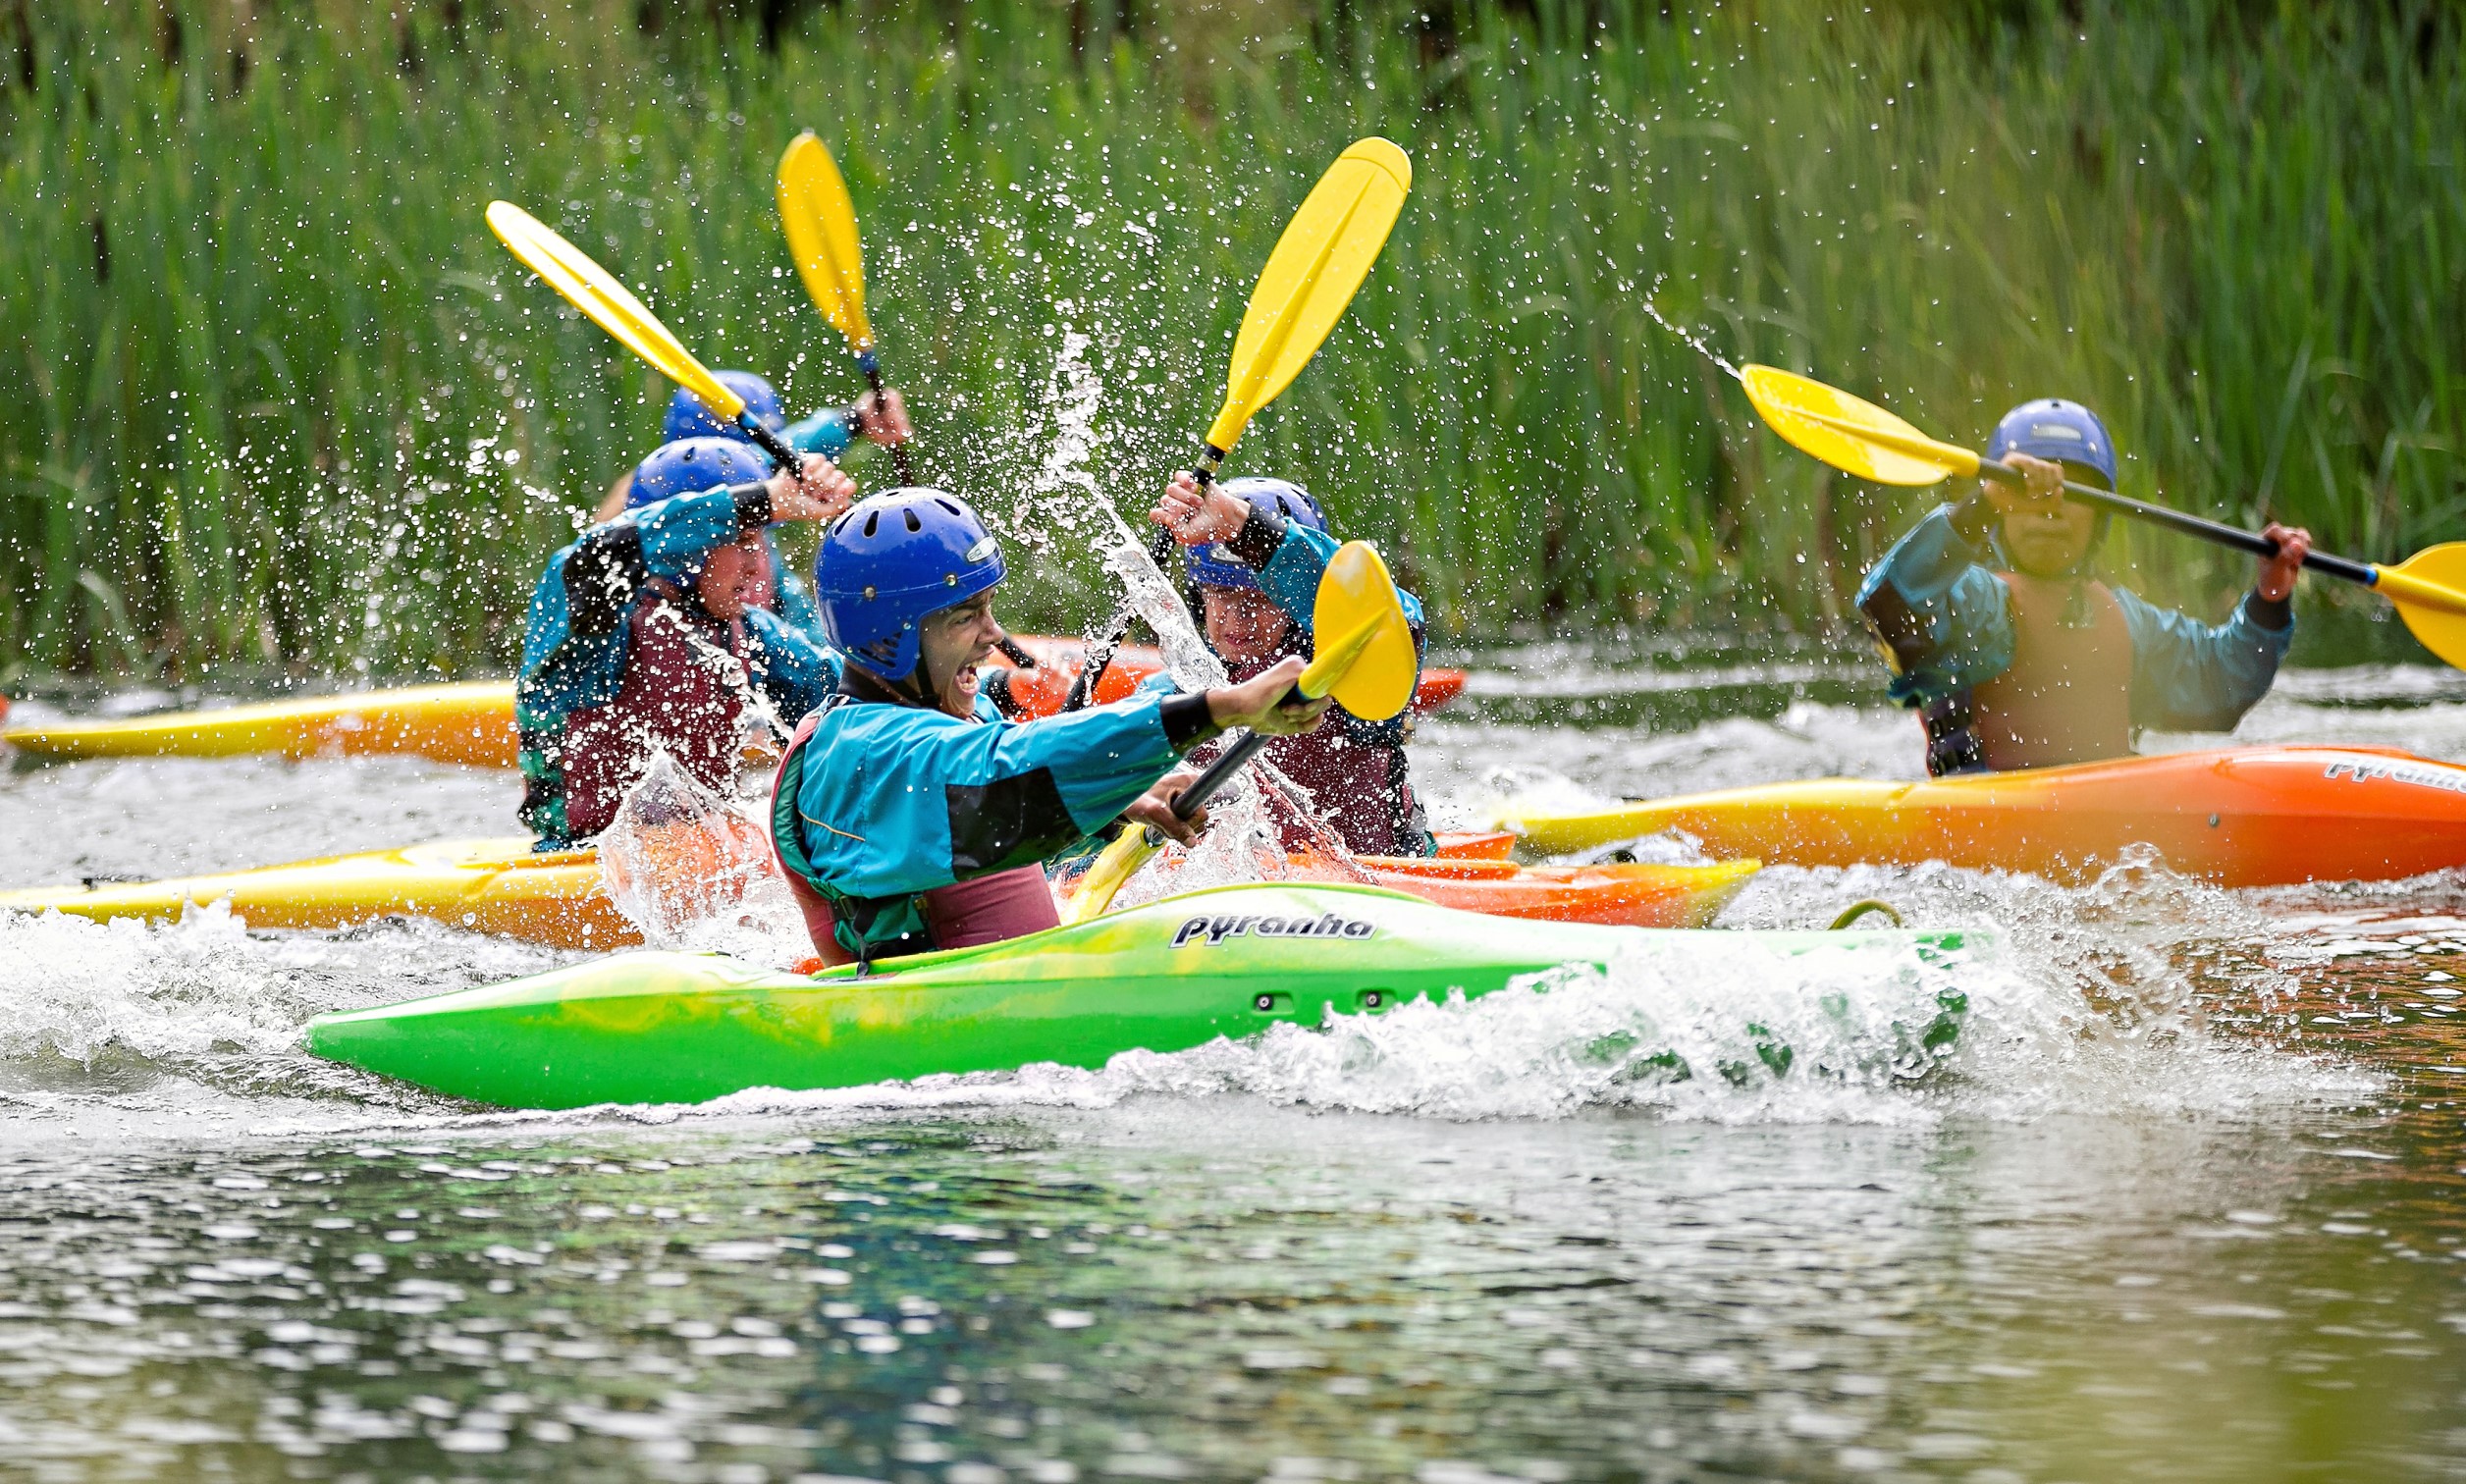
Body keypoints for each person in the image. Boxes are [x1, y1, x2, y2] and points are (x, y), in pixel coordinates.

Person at [770, 488, 1329, 967]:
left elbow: (1003, 844)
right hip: (926, 1039)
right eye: (967, 617)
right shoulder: (857, 757)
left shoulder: (958, 715)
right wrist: (1217, 709)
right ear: (888, 638)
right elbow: (1001, 773)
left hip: (1010, 1002)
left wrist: (1121, 801)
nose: (994, 636)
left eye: (988, 608)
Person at [1856, 398, 2312, 775]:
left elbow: (2220, 687)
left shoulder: (2127, 620)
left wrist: (2270, 598)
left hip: (2106, 838)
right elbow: (1888, 601)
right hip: (1983, 838)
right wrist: (1980, 508)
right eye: (2026, 492)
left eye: (2074, 492)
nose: (2050, 510)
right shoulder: (1973, 603)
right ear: (2002, 504)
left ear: (2099, 516)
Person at [517, 437, 856, 846]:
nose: (757, 565)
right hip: (579, 858)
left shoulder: (748, 634)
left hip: (702, 861)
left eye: (761, 542)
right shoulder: (595, 620)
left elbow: (842, 695)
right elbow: (598, 553)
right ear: (683, 552)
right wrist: (764, 498)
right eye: (743, 541)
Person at [1146, 473, 1434, 856]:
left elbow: (1395, 620)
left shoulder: (1354, 664)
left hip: (1370, 882)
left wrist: (1244, 527)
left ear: (1297, 600)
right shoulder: (1182, 685)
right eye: (1220, 596)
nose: (1235, 621)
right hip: (1233, 892)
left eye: (1259, 601)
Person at [593, 369, 914, 636]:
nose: (753, 559)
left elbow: (819, 651)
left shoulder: (758, 590)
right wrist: (848, 422)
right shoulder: (629, 537)